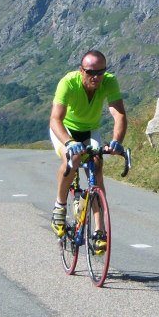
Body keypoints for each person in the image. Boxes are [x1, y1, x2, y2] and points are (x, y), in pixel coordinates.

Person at [49, 50, 126, 252]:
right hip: (65, 129)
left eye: (101, 72)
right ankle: (59, 206)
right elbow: (55, 119)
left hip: (90, 129)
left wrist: (117, 142)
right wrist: (68, 142)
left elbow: (119, 115)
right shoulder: (68, 82)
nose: (96, 77)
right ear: (81, 70)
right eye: (91, 72)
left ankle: (99, 231)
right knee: (73, 160)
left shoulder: (109, 81)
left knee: (97, 166)